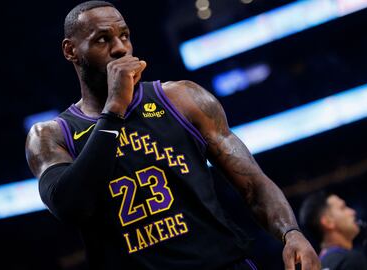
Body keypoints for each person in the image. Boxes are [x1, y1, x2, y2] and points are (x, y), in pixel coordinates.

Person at [25, 1, 320, 269]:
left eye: (124, 36)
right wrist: (114, 109)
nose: (120, 49)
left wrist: (290, 233)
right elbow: (71, 206)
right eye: (102, 39)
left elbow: (253, 184)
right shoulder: (51, 135)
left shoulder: (181, 98)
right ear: (70, 50)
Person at [299, 192, 367, 270]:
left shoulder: (318, 266)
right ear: (328, 222)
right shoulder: (352, 261)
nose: (352, 212)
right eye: (343, 208)